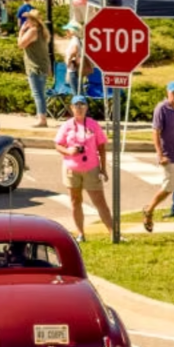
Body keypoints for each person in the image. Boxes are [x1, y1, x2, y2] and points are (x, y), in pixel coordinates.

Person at [54, 95, 113, 241]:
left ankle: (113, 233)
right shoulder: (67, 125)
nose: (79, 108)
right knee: (75, 201)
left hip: (91, 168)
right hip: (71, 169)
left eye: (82, 105)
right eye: (76, 106)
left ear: (86, 107)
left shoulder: (93, 124)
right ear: (72, 108)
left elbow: (101, 147)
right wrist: (69, 151)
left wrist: (103, 169)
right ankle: (81, 233)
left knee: (100, 201)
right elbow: (57, 144)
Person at [142, 82, 174, 234]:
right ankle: (149, 210)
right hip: (169, 155)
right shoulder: (161, 109)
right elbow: (156, 132)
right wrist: (160, 154)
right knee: (168, 188)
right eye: (173, 93)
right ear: (168, 93)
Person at [19, 8, 51, 128]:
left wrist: (21, 31)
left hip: (34, 66)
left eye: (28, 18)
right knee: (41, 93)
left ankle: (41, 119)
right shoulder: (42, 31)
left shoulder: (32, 31)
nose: (27, 20)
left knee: (37, 94)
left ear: (33, 20)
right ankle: (41, 116)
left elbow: (20, 44)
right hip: (42, 66)